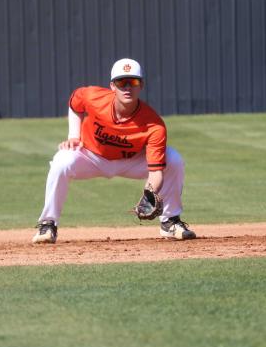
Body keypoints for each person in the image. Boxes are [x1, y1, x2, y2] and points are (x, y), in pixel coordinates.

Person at [32, 58, 196, 244]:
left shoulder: (154, 124)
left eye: (133, 82)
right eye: (121, 82)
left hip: (130, 161)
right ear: (112, 86)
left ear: (141, 85)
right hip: (91, 157)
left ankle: (170, 222)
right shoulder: (94, 97)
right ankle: (48, 224)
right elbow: (75, 103)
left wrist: (149, 194)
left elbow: (156, 171)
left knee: (173, 159)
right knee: (62, 160)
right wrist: (73, 136)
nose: (127, 87)